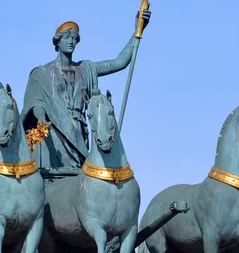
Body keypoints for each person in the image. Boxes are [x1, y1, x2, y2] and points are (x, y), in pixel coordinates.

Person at [21, 9, 150, 171]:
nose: (71, 41)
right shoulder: (42, 74)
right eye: (67, 37)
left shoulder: (86, 68)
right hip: (54, 133)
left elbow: (119, 62)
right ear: (57, 42)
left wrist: (138, 30)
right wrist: (41, 120)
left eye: (74, 38)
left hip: (79, 134)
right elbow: (35, 102)